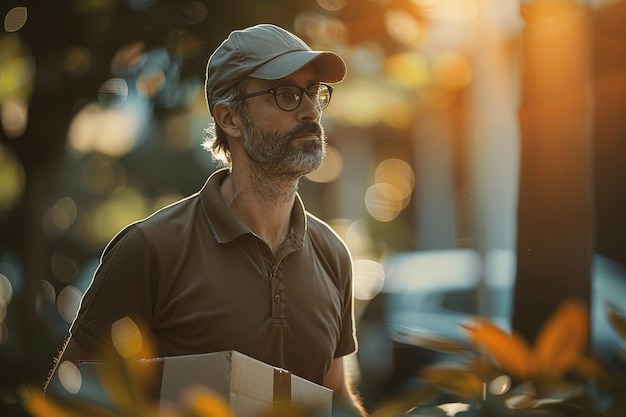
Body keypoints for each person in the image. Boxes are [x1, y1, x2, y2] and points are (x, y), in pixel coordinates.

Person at [45, 23, 367, 416]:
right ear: (230, 119)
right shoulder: (150, 250)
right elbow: (68, 395)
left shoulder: (334, 255)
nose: (310, 110)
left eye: (314, 93)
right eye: (286, 94)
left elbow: (337, 396)